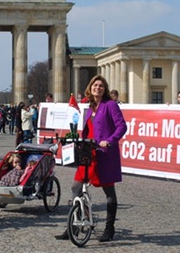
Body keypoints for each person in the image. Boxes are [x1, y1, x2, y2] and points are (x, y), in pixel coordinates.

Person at [55, 75, 127, 243]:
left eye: (101, 85)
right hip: (89, 152)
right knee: (75, 187)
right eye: (95, 85)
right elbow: (87, 130)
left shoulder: (110, 105)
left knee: (109, 192)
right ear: (91, 87)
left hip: (105, 153)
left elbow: (122, 126)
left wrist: (110, 141)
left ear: (105, 88)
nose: (98, 88)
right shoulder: (89, 107)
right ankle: (74, 225)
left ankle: (110, 228)